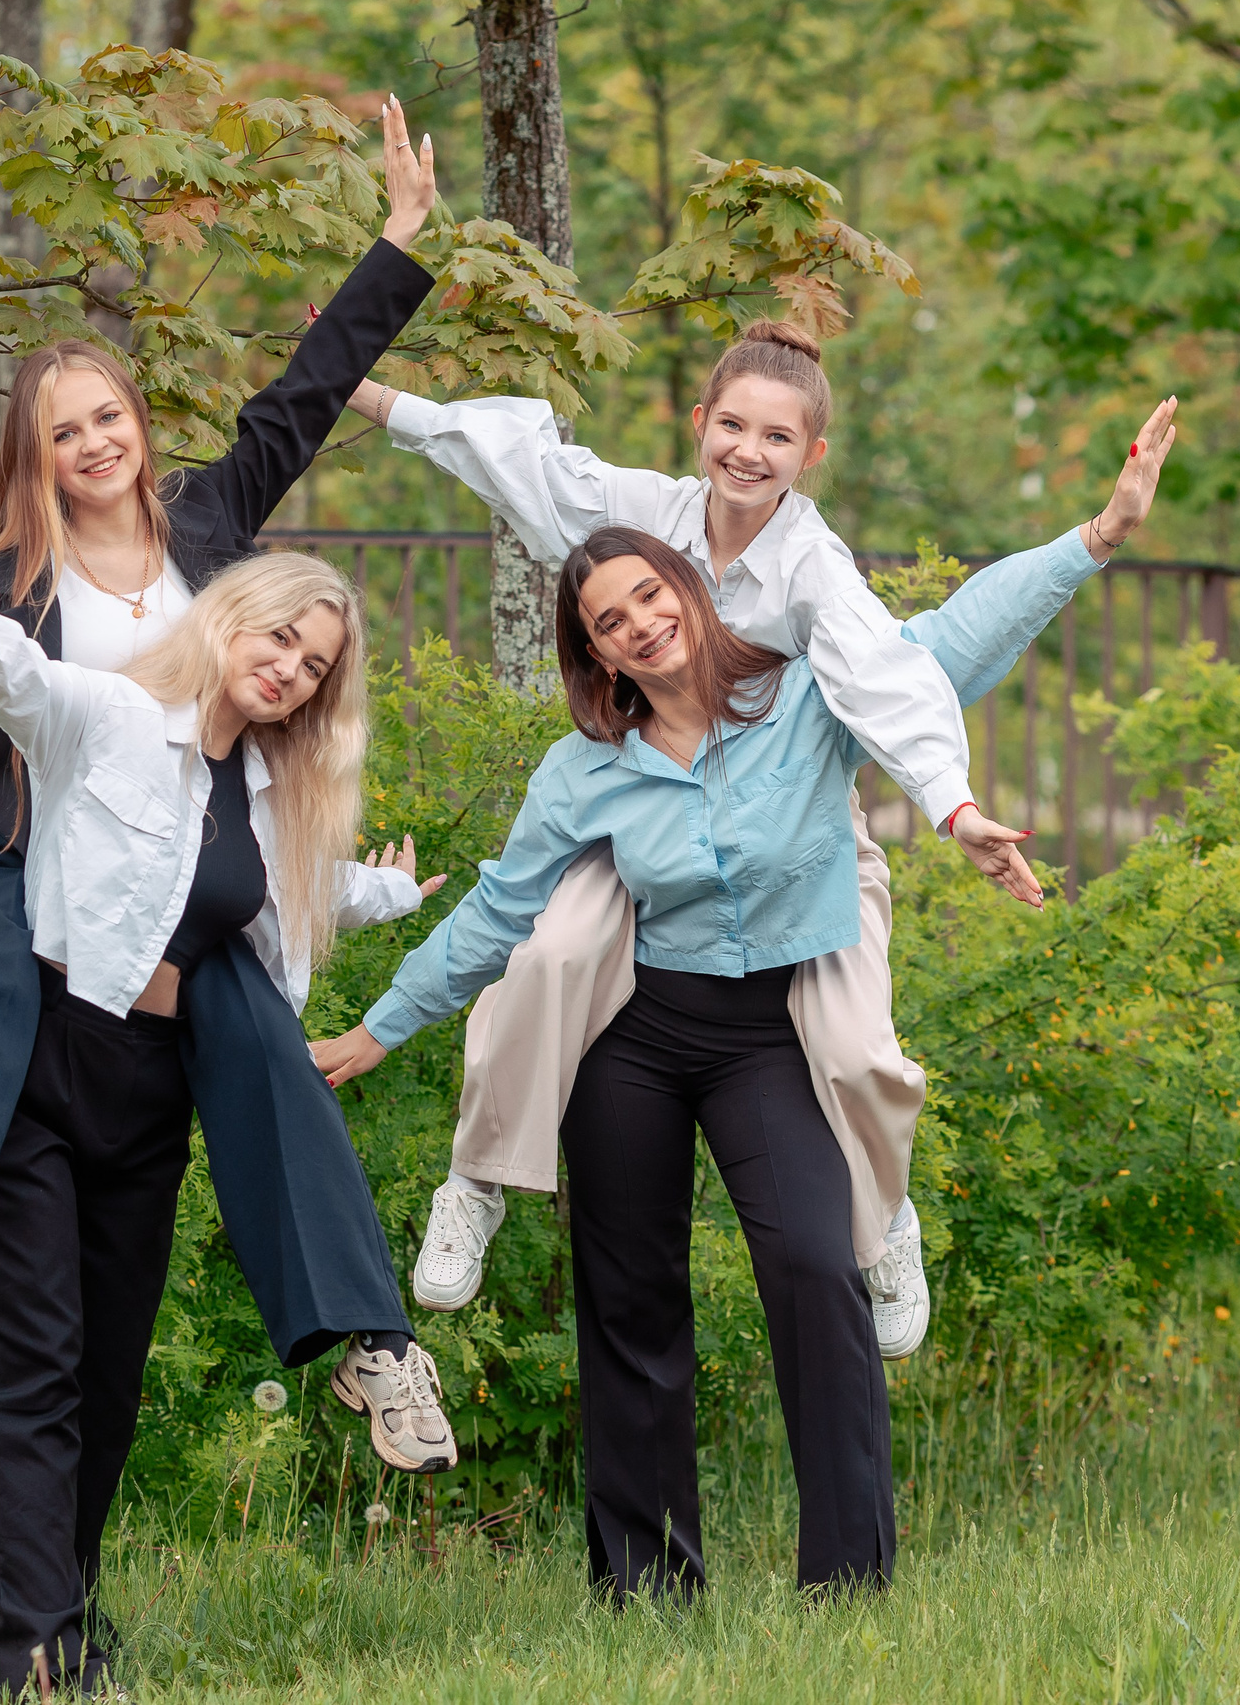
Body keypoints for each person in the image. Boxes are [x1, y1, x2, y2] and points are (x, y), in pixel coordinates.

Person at [312, 396, 1177, 1592]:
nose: (638, 626)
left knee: (814, 1268)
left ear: (693, 595)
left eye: (652, 598)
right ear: (596, 651)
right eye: (609, 622)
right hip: (641, 1037)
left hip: (768, 1035)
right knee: (629, 1298)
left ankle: (849, 1580)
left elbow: (949, 640)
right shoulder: (585, 771)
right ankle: (643, 1585)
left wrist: (1093, 536)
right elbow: (497, 917)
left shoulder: (805, 698)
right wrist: (376, 1028)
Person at [0, 103, 439, 1347]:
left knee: (263, 1043)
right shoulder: (5, 575)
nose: (93, 443)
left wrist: (396, 242)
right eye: (64, 433)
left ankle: (366, 1346)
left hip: (171, 871)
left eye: (106, 418)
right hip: (12, 859)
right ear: (39, 455)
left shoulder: (212, 523)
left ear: (135, 423)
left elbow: (306, 396)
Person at [0, 392, 458, 1692]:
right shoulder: (114, 713)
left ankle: (66, 1620)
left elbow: (288, 904)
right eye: (280, 634)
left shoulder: (277, 802)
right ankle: (29, 1656)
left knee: (105, 1387)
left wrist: (386, 890)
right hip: (34, 1060)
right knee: (29, 1368)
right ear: (229, 616)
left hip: (143, 1094)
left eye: (313, 665)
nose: (288, 665)